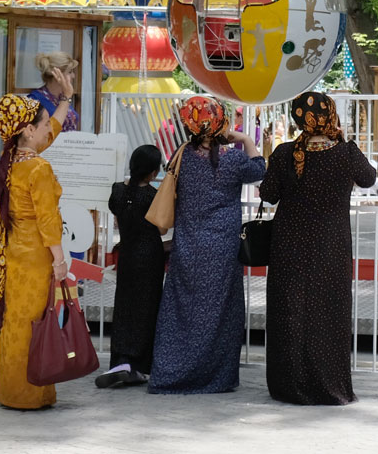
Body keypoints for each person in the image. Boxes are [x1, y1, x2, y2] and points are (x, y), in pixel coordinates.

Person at [259, 91, 378, 405]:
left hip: (289, 244)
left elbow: (269, 194)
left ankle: (290, 384)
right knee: (329, 311)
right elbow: (368, 178)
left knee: (290, 311)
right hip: (332, 245)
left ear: (299, 118)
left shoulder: (285, 154)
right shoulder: (346, 152)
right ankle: (330, 384)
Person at [149, 96, 265, 395]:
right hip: (223, 247)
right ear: (220, 122)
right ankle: (216, 377)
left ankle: (171, 373)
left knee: (181, 307)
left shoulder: (182, 155)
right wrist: (244, 138)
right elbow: (259, 170)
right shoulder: (233, 159)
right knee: (221, 311)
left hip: (188, 244)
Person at [0, 90, 74, 409]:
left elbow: (47, 130)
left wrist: (63, 100)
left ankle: (11, 390)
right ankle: (29, 394)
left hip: (13, 252)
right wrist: (60, 260)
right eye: (42, 127)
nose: (47, 132)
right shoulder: (37, 168)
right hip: (36, 255)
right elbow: (48, 220)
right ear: (27, 130)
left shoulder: (9, 161)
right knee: (34, 323)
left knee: (17, 321)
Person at [95, 143, 166, 389]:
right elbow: (162, 228)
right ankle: (140, 366)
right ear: (153, 172)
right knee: (147, 308)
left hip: (127, 254)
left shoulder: (117, 191)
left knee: (124, 306)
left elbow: (119, 219)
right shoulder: (153, 196)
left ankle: (120, 360)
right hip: (150, 257)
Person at [25, 50, 81, 133]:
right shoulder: (34, 100)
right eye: (69, 72)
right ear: (57, 74)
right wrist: (67, 96)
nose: (73, 76)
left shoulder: (61, 97)